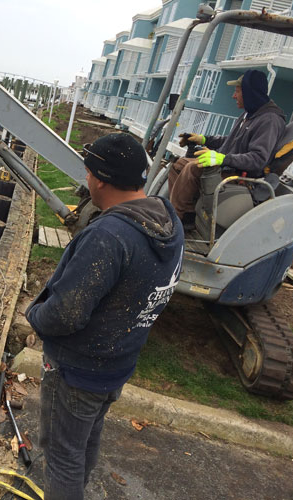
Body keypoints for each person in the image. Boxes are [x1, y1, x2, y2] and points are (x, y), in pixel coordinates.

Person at [26, 133, 184, 499]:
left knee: (63, 457)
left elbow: (66, 313)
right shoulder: (167, 222)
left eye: (87, 174)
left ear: (98, 178)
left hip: (78, 370)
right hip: (117, 365)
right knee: (85, 445)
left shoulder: (110, 236)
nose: (86, 182)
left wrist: (35, 315)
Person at [170, 68, 287, 227]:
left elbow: (258, 159)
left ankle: (176, 220)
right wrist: (204, 139)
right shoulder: (249, 114)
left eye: (237, 91)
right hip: (226, 166)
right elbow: (232, 141)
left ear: (249, 93)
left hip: (241, 176)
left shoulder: (270, 120)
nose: (233, 96)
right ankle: (187, 214)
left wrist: (223, 158)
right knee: (179, 164)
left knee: (192, 168)